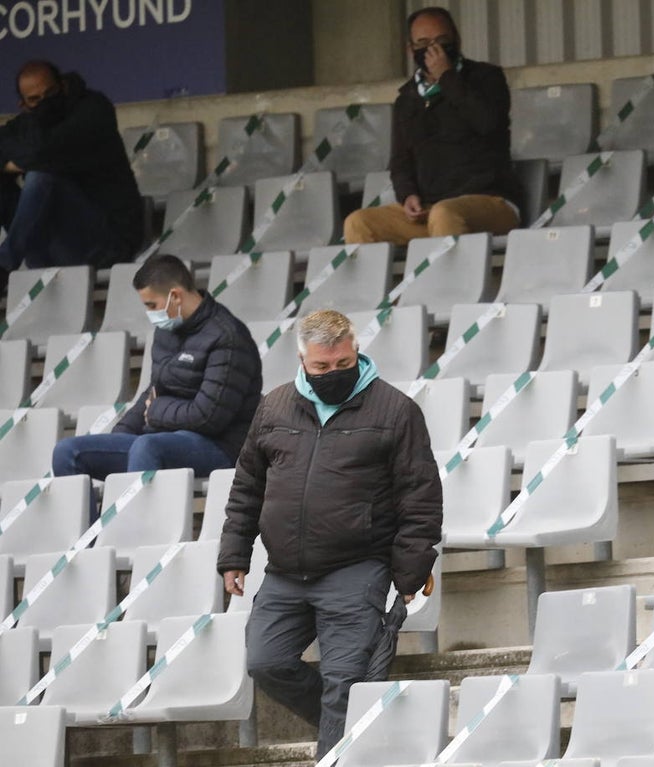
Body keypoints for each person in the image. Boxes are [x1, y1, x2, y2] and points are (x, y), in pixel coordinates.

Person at [217, 309, 443, 759]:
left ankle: (339, 742)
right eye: (322, 367)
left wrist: (412, 569)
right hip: (284, 572)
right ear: (302, 359)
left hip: (356, 570)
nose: (333, 374)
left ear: (355, 351)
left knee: (345, 682)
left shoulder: (396, 410)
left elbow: (420, 496)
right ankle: (359, 726)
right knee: (266, 663)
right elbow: (248, 485)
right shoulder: (274, 406)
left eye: (343, 364)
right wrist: (234, 554)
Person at [52, 255, 262, 520]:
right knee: (67, 453)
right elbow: (154, 389)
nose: (150, 313)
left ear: (175, 296)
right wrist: (123, 433)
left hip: (220, 447)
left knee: (146, 447)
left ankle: (130, 534)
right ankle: (94, 545)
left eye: (152, 305)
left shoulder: (228, 337)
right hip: (162, 439)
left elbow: (209, 417)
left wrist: (156, 412)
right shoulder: (167, 332)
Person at [342, 6, 522, 246]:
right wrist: (408, 195)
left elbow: (487, 122)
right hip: (431, 209)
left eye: (441, 40)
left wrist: (447, 77)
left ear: (456, 40)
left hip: (490, 201)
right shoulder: (407, 98)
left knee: (445, 214)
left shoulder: (486, 78)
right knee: (358, 223)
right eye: (423, 43)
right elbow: (400, 162)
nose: (433, 49)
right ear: (411, 49)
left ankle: (451, 284)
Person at [0, 60, 144, 284]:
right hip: (55, 247)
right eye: (35, 99)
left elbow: (48, 151)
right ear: (24, 105)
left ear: (63, 87)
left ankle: (4, 265)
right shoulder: (29, 122)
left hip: (106, 245)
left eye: (50, 93)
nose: (44, 103)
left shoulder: (94, 108)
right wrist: (9, 165)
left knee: (41, 178)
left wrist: (16, 161)